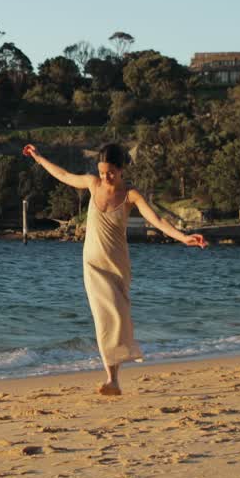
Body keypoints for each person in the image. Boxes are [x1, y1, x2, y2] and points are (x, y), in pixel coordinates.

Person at [23, 142, 207, 396]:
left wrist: (183, 237)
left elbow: (158, 220)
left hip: (117, 265)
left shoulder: (131, 195)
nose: (105, 176)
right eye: (101, 171)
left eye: (110, 172)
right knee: (103, 320)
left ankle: (116, 374)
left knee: (118, 318)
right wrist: (39, 157)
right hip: (93, 264)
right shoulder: (92, 184)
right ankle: (112, 380)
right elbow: (63, 175)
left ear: (122, 170)